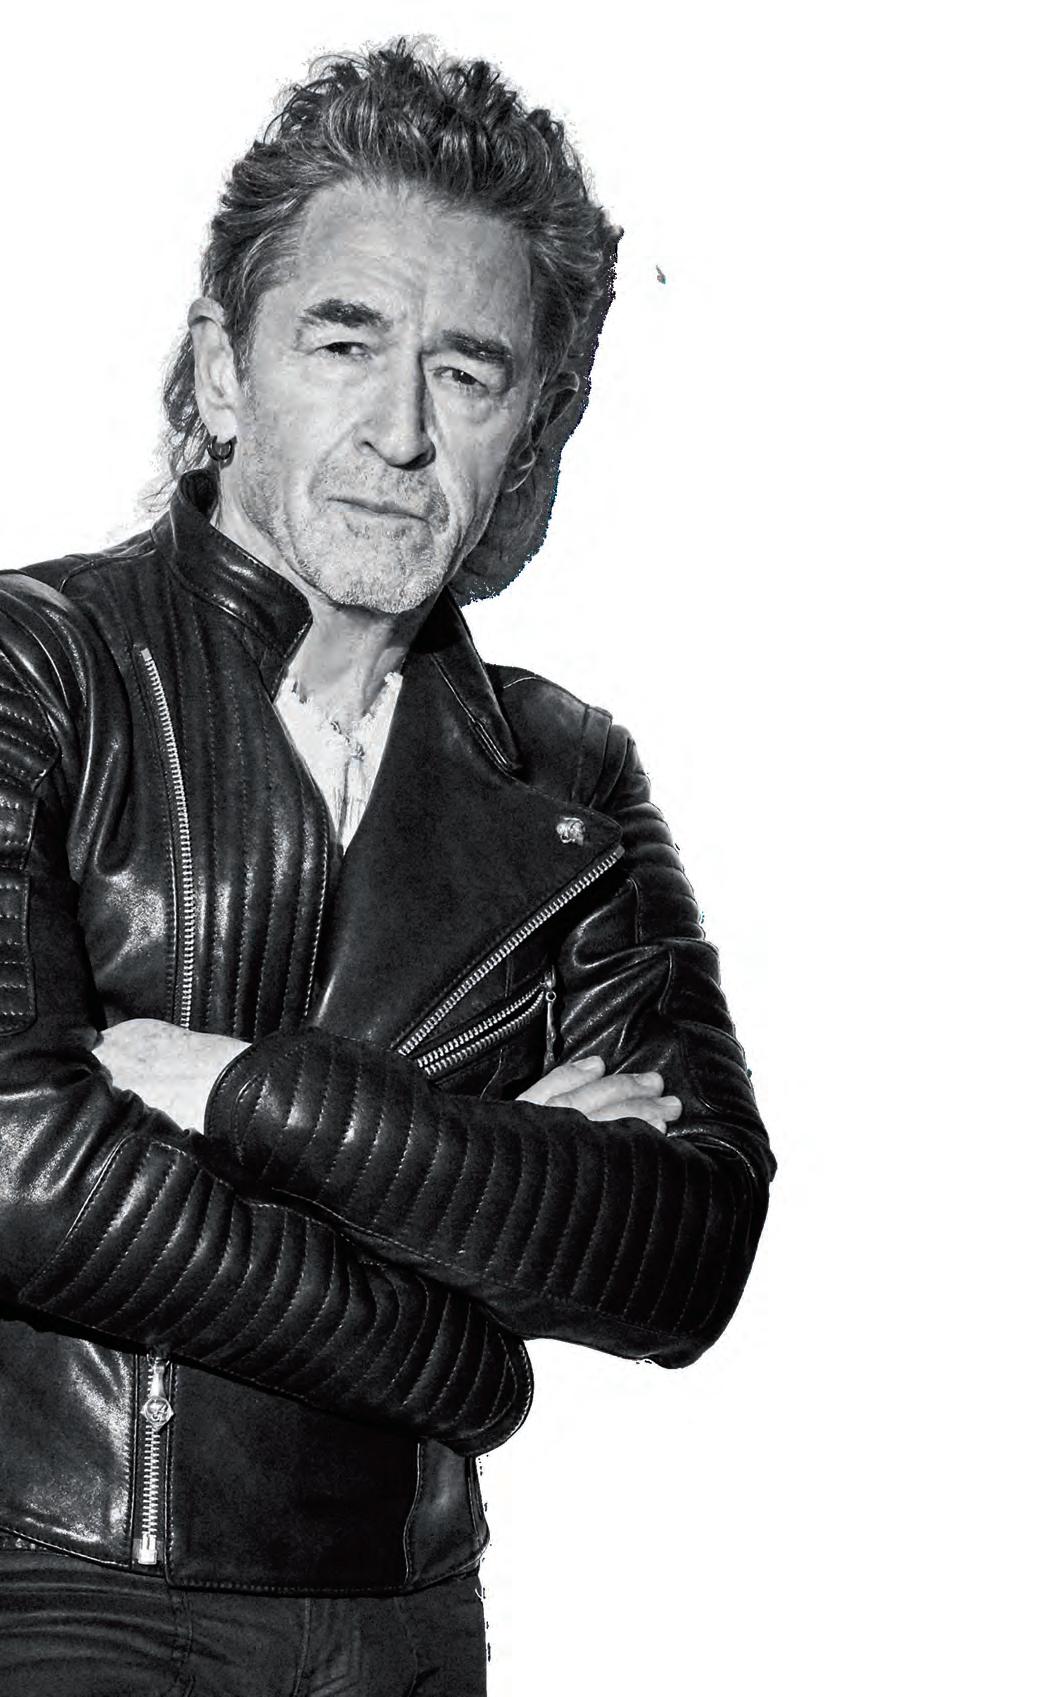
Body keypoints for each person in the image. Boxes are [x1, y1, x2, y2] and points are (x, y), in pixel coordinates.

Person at [0, 40, 775, 1696]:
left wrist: (239, 1091)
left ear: (530, 430)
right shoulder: (35, 667)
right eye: (344, 342)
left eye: (469, 373)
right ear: (222, 372)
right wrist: (455, 1353)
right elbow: (17, 1164)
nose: (402, 433)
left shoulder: (565, 773)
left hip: (414, 1630)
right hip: (66, 1599)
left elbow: (691, 1245)